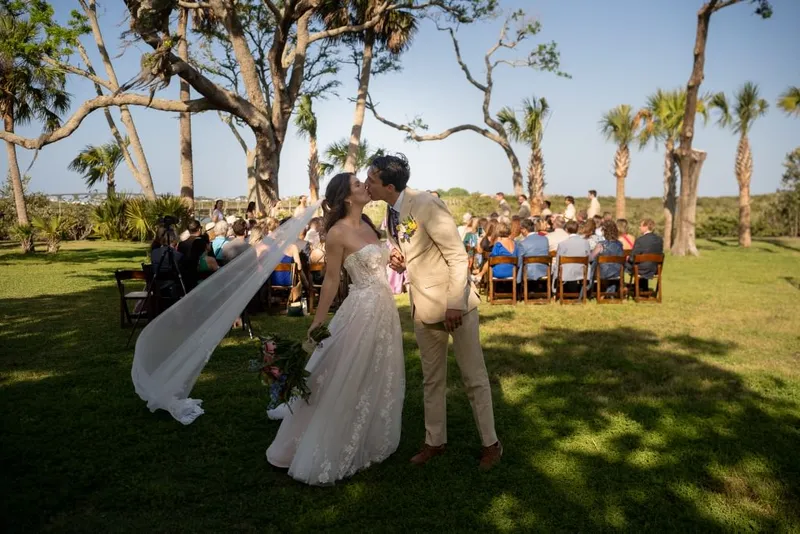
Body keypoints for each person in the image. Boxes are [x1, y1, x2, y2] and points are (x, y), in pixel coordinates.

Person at [266, 173, 405, 486]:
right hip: (362, 310)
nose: (365, 186)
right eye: (358, 185)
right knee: (347, 371)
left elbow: (381, 260)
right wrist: (317, 321)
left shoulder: (370, 223)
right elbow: (331, 279)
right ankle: (327, 438)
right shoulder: (337, 233)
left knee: (376, 371)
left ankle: (369, 432)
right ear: (345, 196)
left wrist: (396, 261)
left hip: (385, 310)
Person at [367, 154, 501, 471]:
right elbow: (407, 247)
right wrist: (399, 260)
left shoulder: (427, 204)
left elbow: (457, 257)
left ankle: (491, 444)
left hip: (456, 307)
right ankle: (434, 441)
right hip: (422, 306)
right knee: (431, 380)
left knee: (473, 377)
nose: (366, 185)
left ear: (388, 185)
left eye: (371, 180)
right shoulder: (390, 211)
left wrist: (455, 302)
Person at [625, 218, 664, 291]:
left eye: (641, 226)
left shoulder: (640, 240)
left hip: (641, 269)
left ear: (646, 227)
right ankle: (641, 288)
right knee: (642, 263)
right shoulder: (659, 239)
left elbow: (632, 258)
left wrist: (628, 258)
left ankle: (620, 287)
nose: (639, 227)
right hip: (655, 268)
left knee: (625, 264)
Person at [553, 220, 590, 293]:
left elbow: (558, 262)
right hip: (581, 272)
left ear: (566, 230)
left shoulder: (562, 244)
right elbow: (588, 258)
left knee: (555, 267)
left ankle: (556, 291)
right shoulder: (585, 242)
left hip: (566, 272)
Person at [590, 219, 624, 290]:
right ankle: (610, 292)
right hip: (617, 272)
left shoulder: (601, 244)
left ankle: (594, 290)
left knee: (594, 266)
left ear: (604, 231)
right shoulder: (620, 244)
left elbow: (591, 258)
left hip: (603, 273)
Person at [516, 218, 549, 286]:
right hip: (544, 270)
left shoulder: (522, 243)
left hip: (529, 272)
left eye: (521, 229)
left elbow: (519, 263)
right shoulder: (545, 239)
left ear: (524, 230)